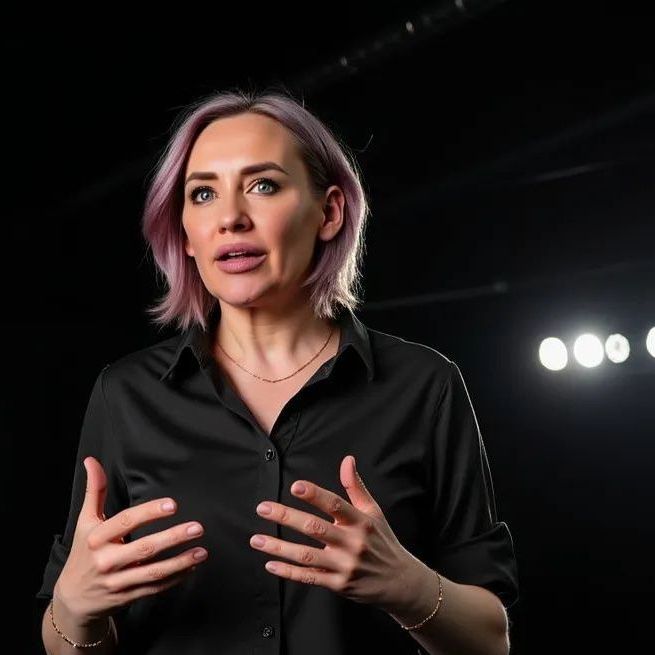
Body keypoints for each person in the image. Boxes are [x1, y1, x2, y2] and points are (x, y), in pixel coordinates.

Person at [36, 87, 519, 655]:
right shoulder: (125, 394)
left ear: (329, 212)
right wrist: (75, 610)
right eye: (203, 194)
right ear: (185, 234)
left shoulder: (424, 386)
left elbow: (491, 641)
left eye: (263, 185)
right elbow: (64, 640)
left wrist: (407, 587)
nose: (230, 219)